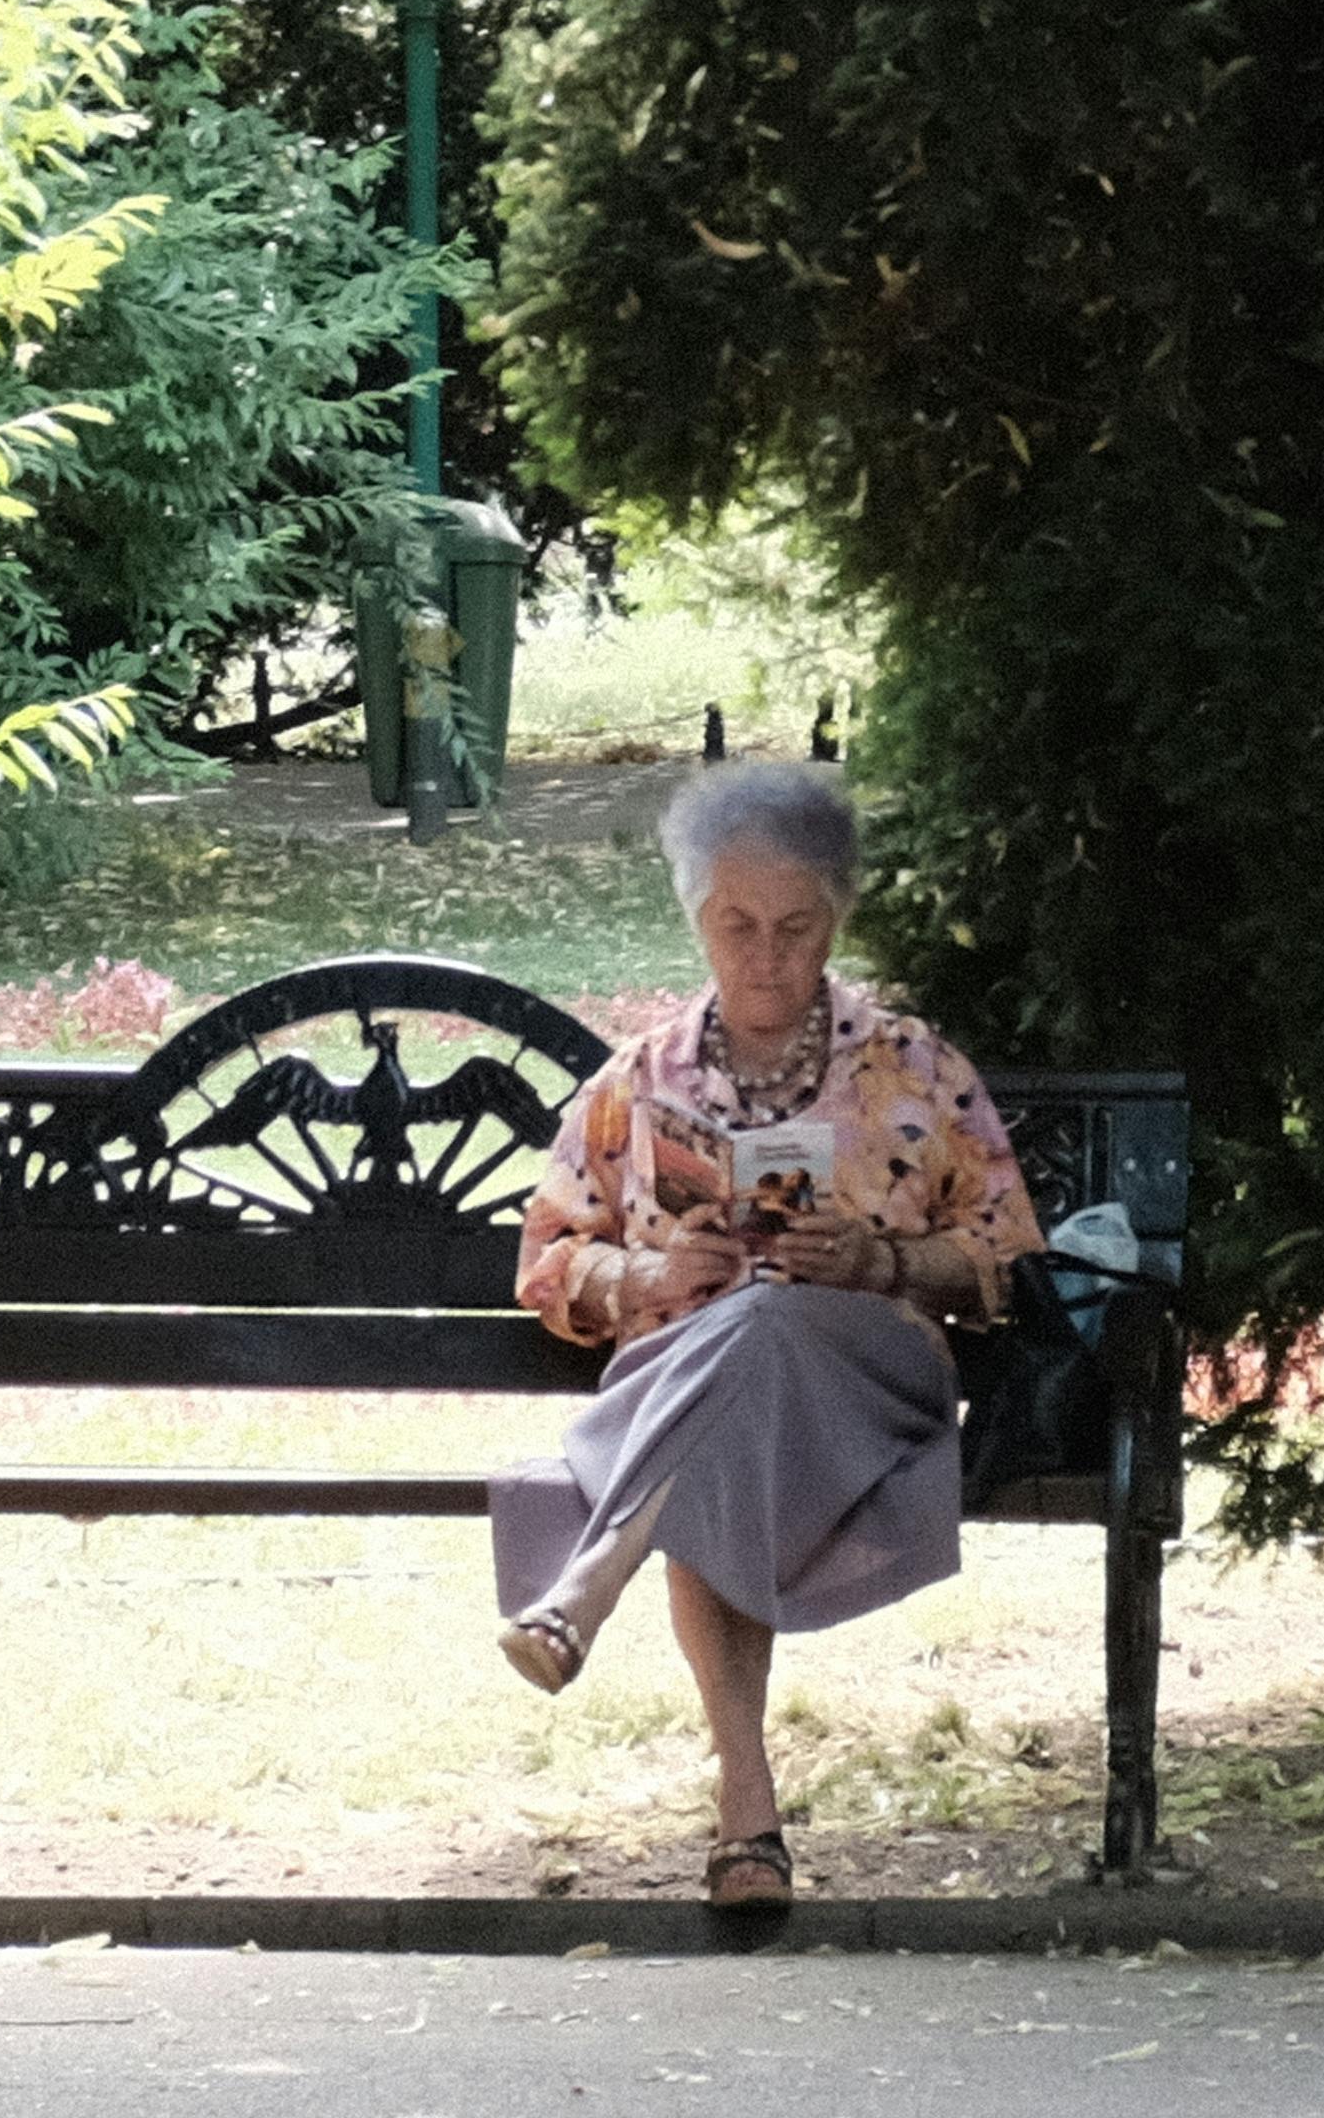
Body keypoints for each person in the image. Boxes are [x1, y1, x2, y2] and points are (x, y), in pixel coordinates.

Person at [495, 762, 1041, 1911]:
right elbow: (549, 1261)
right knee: (739, 1352)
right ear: (696, 917)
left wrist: (879, 1260)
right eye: (735, 925)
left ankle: (586, 1583)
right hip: (699, 1393)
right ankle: (748, 1808)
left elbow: (1004, 1252)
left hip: (870, 1388)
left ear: (834, 920)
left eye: (796, 928)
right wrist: (648, 1270)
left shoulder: (911, 1067)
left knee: (772, 1319)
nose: (765, 956)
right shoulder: (639, 1081)